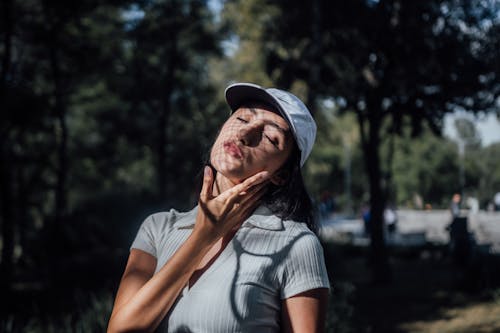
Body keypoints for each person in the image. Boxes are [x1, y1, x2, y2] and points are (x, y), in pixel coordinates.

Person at [107, 83, 330, 333]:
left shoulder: (297, 245)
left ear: (281, 175)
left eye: (270, 137)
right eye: (242, 118)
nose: (245, 134)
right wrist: (202, 236)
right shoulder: (157, 228)